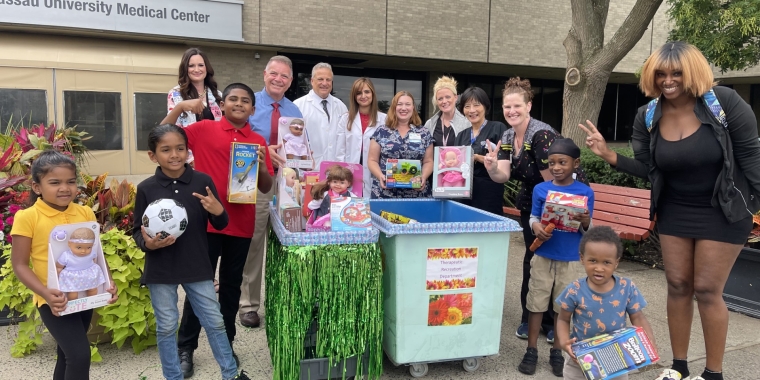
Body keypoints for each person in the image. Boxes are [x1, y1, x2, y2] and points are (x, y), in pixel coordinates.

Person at [580, 41, 760, 380]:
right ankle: (678, 367)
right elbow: (649, 168)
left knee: (707, 289)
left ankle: (713, 373)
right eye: (660, 73)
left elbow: (752, 158)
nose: (668, 80)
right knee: (677, 284)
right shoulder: (647, 115)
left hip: (724, 211)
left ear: (692, 71)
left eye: (676, 72)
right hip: (676, 209)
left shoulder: (724, 104)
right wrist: (608, 155)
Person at [161, 83, 274, 378]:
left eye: (245, 101)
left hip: (240, 223)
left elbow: (265, 186)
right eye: (233, 99)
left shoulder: (258, 141)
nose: (239, 104)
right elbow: (161, 135)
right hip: (205, 223)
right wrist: (180, 108)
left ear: (252, 108)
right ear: (222, 105)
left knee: (231, 289)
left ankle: (227, 345)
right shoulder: (204, 130)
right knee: (198, 288)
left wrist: (261, 166)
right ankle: (186, 347)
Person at [133, 124, 252, 380]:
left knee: (214, 321)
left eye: (180, 148)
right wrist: (148, 244)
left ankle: (230, 374)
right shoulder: (146, 188)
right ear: (153, 155)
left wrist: (218, 210)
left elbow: (221, 224)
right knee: (166, 327)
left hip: (197, 265)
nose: (174, 155)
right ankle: (172, 376)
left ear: (188, 150)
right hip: (161, 268)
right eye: (166, 150)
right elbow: (136, 231)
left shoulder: (202, 181)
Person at [488, 77, 588, 343]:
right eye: (507, 106)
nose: (511, 111)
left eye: (517, 106)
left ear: (528, 105)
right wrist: (490, 166)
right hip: (535, 201)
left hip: (562, 205)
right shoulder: (508, 135)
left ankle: (555, 322)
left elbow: (554, 183)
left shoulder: (541, 136)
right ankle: (530, 317)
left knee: (554, 263)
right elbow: (503, 175)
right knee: (533, 261)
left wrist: (547, 221)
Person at [10, 150, 118, 380]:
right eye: (54, 182)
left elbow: (96, 253)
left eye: (70, 182)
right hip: (54, 301)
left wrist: (108, 281)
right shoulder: (28, 217)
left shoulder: (85, 211)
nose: (64, 188)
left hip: (83, 296)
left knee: (67, 354)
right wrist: (45, 294)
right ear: (37, 187)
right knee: (79, 356)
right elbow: (19, 264)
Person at [515, 138, 594, 376]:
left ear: (575, 163)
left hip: (569, 257)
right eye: (552, 163)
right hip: (543, 254)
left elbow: (587, 228)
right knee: (536, 302)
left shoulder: (585, 192)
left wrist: (585, 220)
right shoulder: (542, 189)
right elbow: (533, 216)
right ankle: (531, 350)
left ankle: (557, 351)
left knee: (563, 307)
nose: (557, 167)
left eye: (562, 162)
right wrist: (536, 226)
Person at [241, 55, 302, 329]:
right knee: (254, 243)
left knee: (288, 241)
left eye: (285, 76)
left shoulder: (294, 111)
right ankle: (249, 306)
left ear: (290, 81)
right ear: (265, 74)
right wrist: (266, 151)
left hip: (287, 183)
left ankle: (282, 301)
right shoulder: (249, 104)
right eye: (274, 74)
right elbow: (237, 142)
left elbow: (299, 148)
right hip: (256, 181)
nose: (278, 79)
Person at [556, 226, 657, 380]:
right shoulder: (574, 290)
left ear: (616, 263)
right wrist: (564, 343)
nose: (599, 268)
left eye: (606, 262)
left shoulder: (627, 287)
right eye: (593, 260)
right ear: (582, 258)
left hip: (616, 359)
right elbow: (563, 319)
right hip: (580, 360)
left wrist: (648, 342)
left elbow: (638, 317)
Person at [452, 87, 508, 215]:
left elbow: (503, 162)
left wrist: (477, 157)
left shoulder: (498, 128)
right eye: (467, 106)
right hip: (463, 195)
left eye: (476, 105)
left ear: (485, 106)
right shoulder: (461, 135)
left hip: (488, 194)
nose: (472, 110)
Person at [367, 91, 434, 199]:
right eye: (399, 104)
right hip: (385, 193)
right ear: (394, 107)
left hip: (416, 195)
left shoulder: (424, 133)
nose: (404, 108)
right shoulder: (381, 131)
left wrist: (423, 177)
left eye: (408, 104)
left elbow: (428, 161)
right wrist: (380, 176)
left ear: (413, 108)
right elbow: (372, 160)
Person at [167, 47, 223, 165]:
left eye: (201, 65)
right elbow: (172, 129)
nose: (196, 69)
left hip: (215, 157)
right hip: (190, 161)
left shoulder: (217, 95)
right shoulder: (176, 94)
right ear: (185, 69)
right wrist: (191, 160)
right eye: (191, 66)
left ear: (206, 68)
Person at [336, 77, 387, 197]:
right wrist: (341, 175)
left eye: (367, 92)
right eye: (359, 93)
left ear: (373, 94)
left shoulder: (384, 119)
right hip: (351, 172)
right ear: (354, 96)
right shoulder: (345, 119)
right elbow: (340, 151)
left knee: (374, 211)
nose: (363, 96)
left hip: (375, 173)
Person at [294, 62, 348, 168]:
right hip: (309, 169)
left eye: (328, 80)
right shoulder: (298, 106)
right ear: (312, 81)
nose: (325, 83)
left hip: (336, 172)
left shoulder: (341, 106)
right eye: (320, 79)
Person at [56, 227, 106, 300]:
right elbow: (59, 265)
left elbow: (94, 259)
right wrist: (58, 271)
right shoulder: (66, 255)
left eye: (88, 247)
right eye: (79, 247)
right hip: (73, 276)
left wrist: (93, 265)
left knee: (92, 289)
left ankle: (91, 301)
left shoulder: (91, 253)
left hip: (89, 274)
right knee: (72, 292)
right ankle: (73, 304)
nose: (84, 251)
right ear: (69, 244)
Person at [423, 75, 470, 147]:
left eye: (448, 97)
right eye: (440, 99)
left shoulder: (466, 123)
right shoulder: (430, 124)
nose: (444, 101)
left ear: (455, 97)